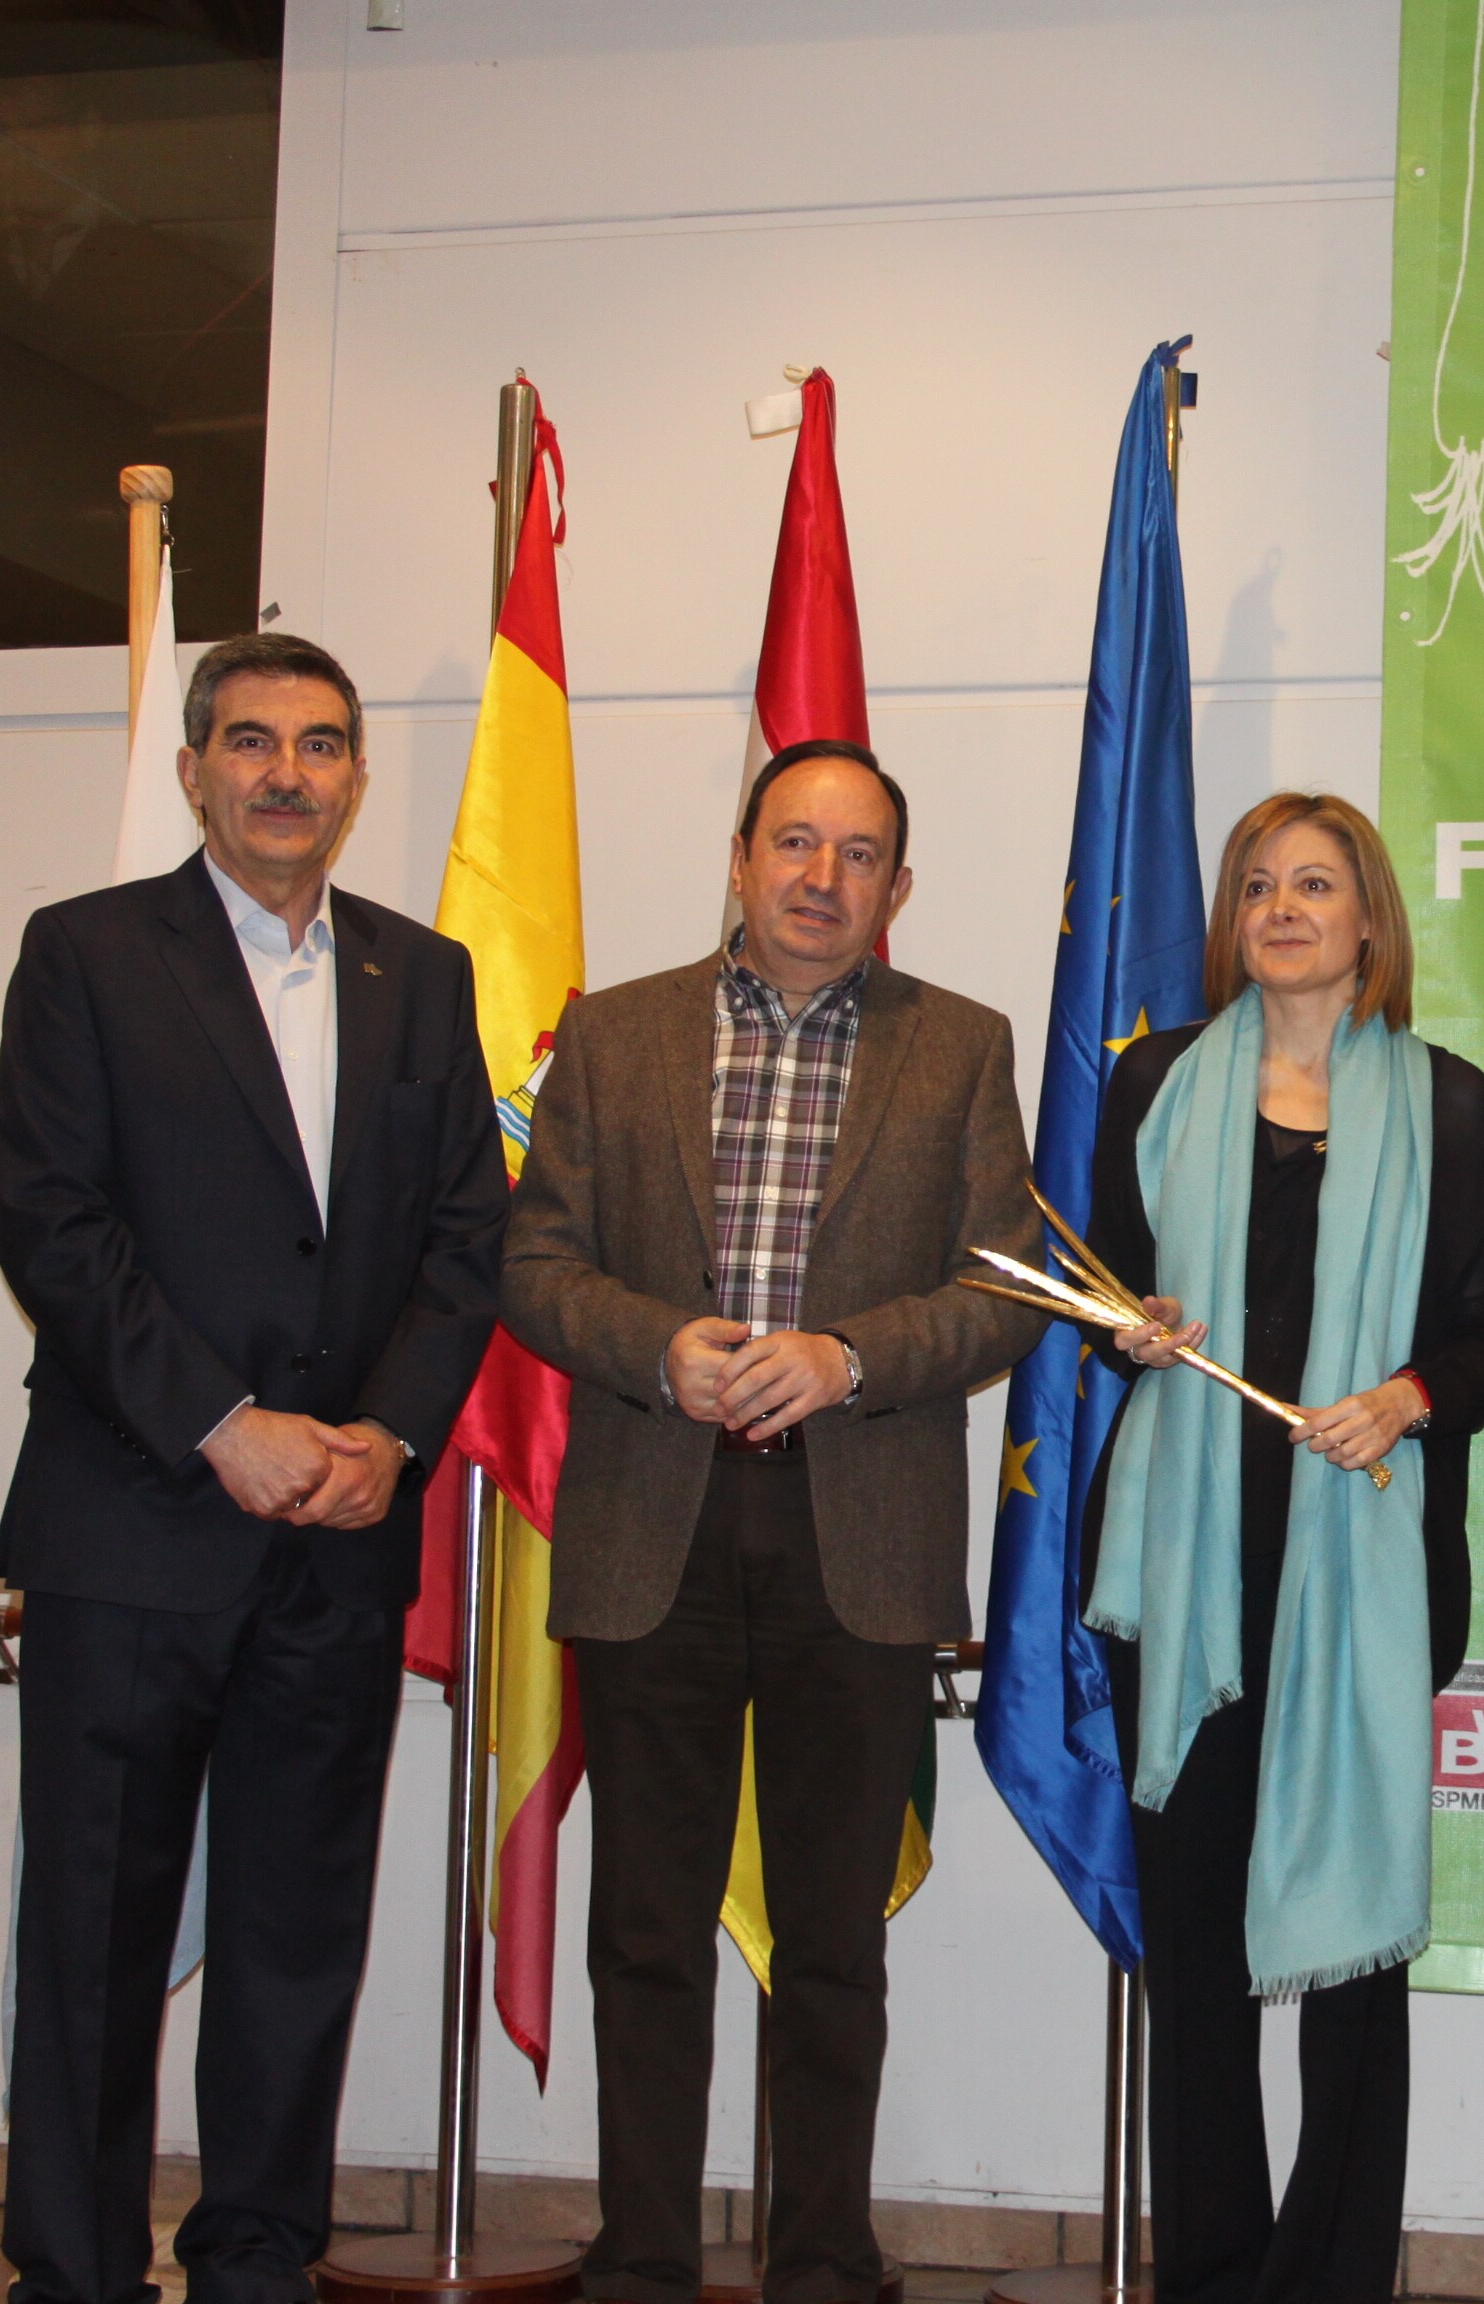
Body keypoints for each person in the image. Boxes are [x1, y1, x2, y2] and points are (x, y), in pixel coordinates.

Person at [0, 633, 509, 2304]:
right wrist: (225, 1423)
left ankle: (258, 2261)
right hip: (132, 1529)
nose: (289, 772)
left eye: (323, 745)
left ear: (357, 778)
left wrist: (392, 1435)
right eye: (254, 742)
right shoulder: (82, 955)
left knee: (298, 1939)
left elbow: (465, 1242)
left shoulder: (421, 977)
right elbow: (53, 1229)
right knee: (94, 1939)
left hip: (339, 1543)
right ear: (201, 767)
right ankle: (71, 2269)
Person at [501, 738, 1045, 2304]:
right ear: (739, 857)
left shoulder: (961, 1047)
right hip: (649, 1528)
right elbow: (535, 1264)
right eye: (794, 844)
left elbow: (1000, 1287)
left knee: (832, 1942)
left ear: (900, 886)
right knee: (649, 1932)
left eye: (859, 853)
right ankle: (646, 2259)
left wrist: (851, 1358)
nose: (823, 878)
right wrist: (655, 1347)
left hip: (854, 1541)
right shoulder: (611, 1037)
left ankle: (822, 2258)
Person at [1079, 791, 1484, 2304]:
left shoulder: (1450, 1102)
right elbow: (1107, 1295)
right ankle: (1210, 2269)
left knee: (1352, 1967)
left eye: (1316, 884)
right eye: (1258, 884)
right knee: (1196, 1954)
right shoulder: (1154, 1087)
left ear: (1368, 922)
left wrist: (1400, 1400)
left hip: (1363, 1576)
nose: (1282, 906)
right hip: (1187, 1577)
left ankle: (1336, 2277)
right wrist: (1130, 1331)